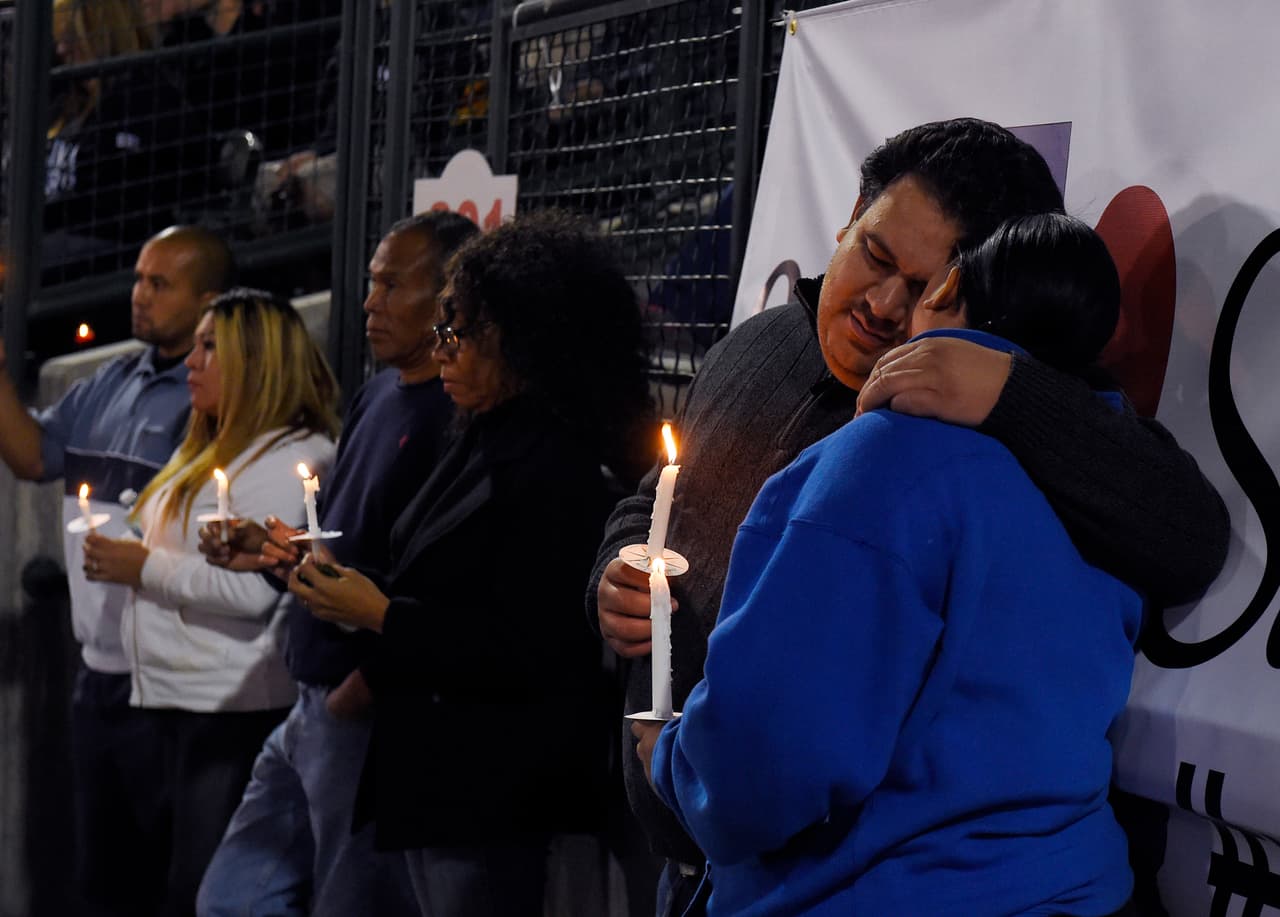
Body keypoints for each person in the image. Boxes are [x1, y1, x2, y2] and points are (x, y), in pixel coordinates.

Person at [588, 117, 1231, 914]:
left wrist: (1006, 393)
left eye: (925, 285)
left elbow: (1188, 529)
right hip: (716, 863)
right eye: (877, 256)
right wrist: (620, 561)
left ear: (974, 291)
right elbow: (662, 492)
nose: (885, 305)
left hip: (828, 872)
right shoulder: (752, 351)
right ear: (850, 216)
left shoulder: (983, 438)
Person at [635, 212, 1141, 915]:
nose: (887, 309)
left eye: (921, 284)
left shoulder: (884, 462)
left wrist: (670, 759)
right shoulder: (1101, 482)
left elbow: (763, 766)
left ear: (950, 288)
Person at [286, 209, 653, 916]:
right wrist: (352, 591)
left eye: (460, 330)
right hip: (437, 778)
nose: (442, 347)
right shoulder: (480, 432)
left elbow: (534, 647)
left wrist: (382, 614)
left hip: (493, 789)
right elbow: (441, 582)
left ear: (523, 338)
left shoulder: (561, 467)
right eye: (444, 326)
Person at [194, 211, 479, 917]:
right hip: (310, 700)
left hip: (361, 711)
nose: (370, 302)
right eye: (372, 282)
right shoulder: (378, 394)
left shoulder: (455, 418)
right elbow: (342, 546)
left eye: (392, 285)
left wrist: (368, 683)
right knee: (232, 897)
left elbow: (444, 581)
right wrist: (274, 550)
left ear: (447, 297)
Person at [82, 288, 339, 917]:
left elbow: (254, 591)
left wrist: (144, 567)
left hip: (227, 712)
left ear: (256, 361)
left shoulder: (296, 456)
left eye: (209, 348)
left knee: (202, 892)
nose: (191, 363)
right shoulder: (205, 445)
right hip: (164, 700)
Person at [0, 224, 232, 916]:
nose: (139, 294)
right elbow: (33, 456)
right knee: (102, 882)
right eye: (137, 278)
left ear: (210, 301)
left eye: (160, 283)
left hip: (169, 686)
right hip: (96, 675)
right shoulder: (112, 379)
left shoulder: (218, 398)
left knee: (171, 882)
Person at [44, 0, 189, 280]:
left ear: (102, 34)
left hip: (105, 246)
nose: (62, 50)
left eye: (71, 38)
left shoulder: (145, 96)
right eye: (59, 40)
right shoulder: (66, 96)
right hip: (52, 237)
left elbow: (122, 204)